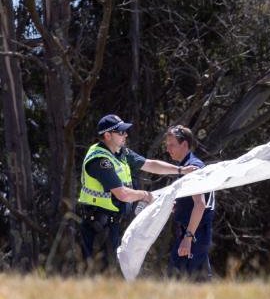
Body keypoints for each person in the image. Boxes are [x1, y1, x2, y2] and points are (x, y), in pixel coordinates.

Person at [78, 114, 198, 273]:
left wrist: (180, 170)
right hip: (97, 226)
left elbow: (150, 165)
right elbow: (121, 194)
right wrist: (144, 195)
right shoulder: (100, 160)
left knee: (111, 271)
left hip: (112, 223)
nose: (125, 135)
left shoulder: (121, 153)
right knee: (98, 272)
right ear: (107, 136)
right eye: (120, 132)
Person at [163, 125, 215, 280]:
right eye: (167, 145)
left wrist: (188, 238)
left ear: (184, 144)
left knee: (185, 281)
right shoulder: (184, 167)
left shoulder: (193, 168)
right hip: (190, 233)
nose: (168, 149)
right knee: (191, 281)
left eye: (172, 145)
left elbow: (200, 204)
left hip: (194, 234)